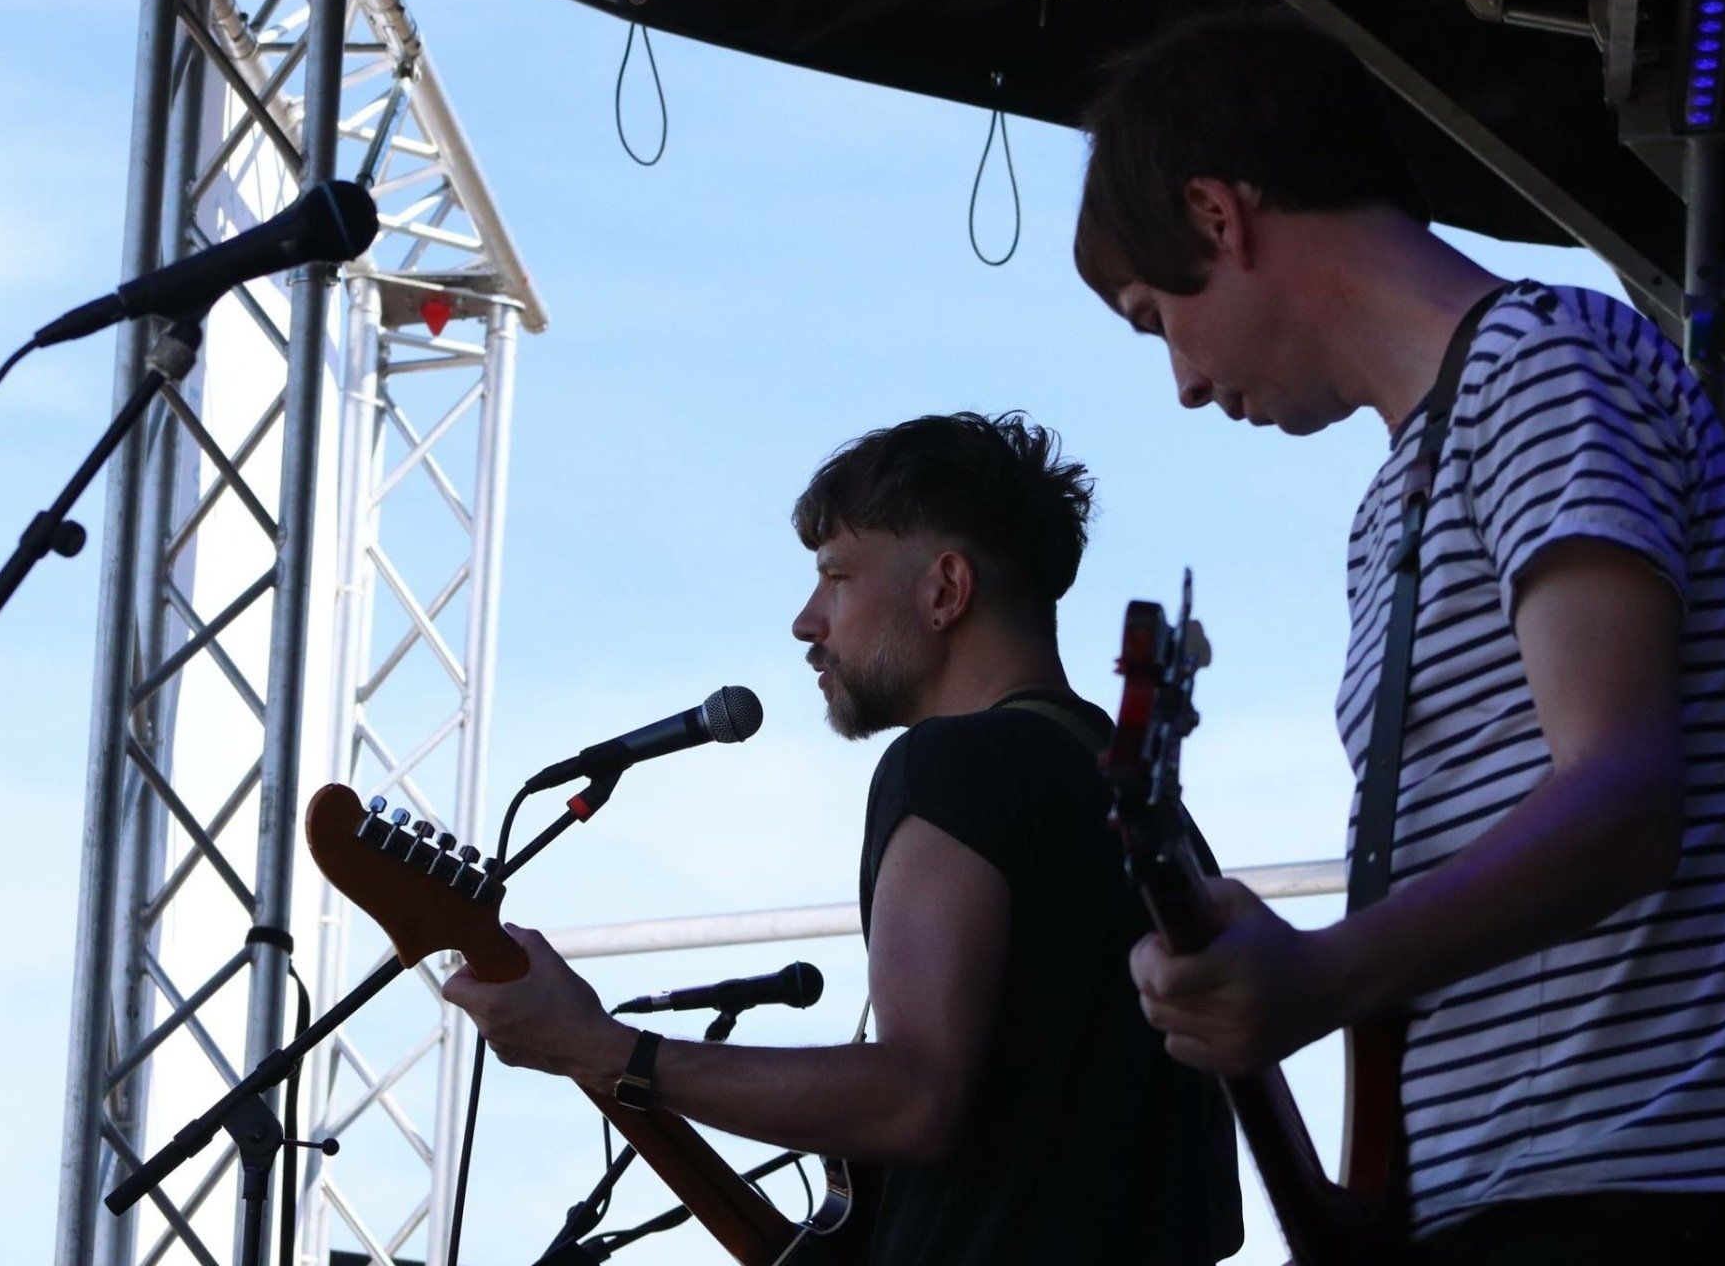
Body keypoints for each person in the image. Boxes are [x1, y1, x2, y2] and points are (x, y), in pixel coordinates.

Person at [1074, 9, 1725, 1265]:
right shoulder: (1400, 488)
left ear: (1218, 217)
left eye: (1150, 313)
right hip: (1509, 1192)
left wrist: (1323, 975)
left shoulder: (1544, 365)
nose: (1178, 380)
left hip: (1652, 1189)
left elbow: (1622, 795)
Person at [443, 412, 1240, 1265]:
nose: (806, 621)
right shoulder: (1153, 815)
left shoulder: (956, 764)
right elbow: (1212, 1208)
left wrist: (604, 1049)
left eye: (836, 577)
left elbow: (915, 1098)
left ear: (945, 591)